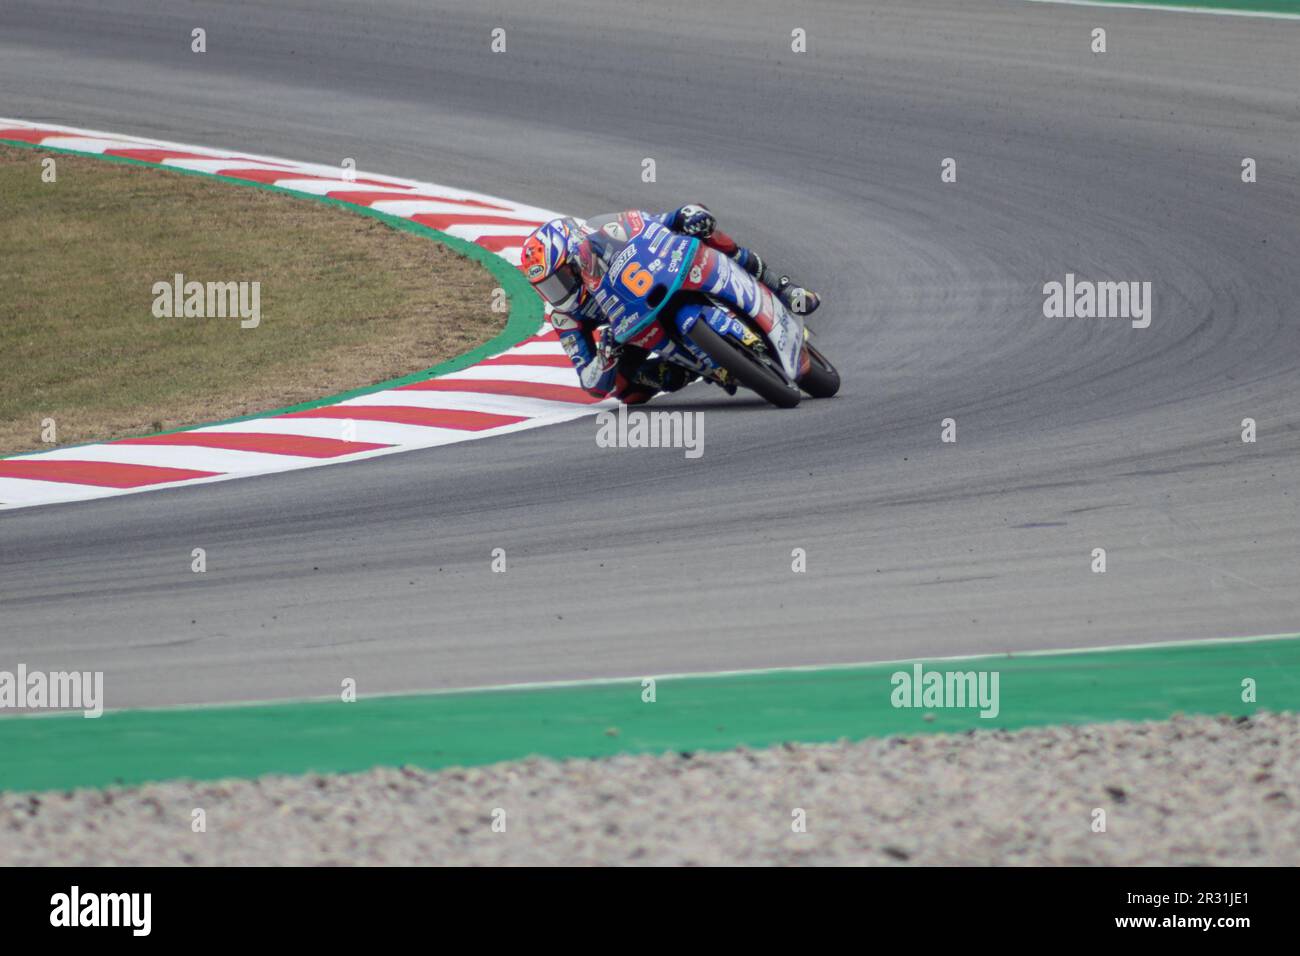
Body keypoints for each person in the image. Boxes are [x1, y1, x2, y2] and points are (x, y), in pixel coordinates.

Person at [520, 205, 819, 403]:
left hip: (660, 277)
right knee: (626, 392)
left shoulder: (604, 236)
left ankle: (780, 285)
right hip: (631, 326)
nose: (560, 291)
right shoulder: (565, 318)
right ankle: (687, 371)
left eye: (560, 278)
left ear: (575, 257)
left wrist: (685, 215)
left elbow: (653, 224)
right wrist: (605, 357)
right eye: (548, 287)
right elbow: (590, 383)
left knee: (703, 230)